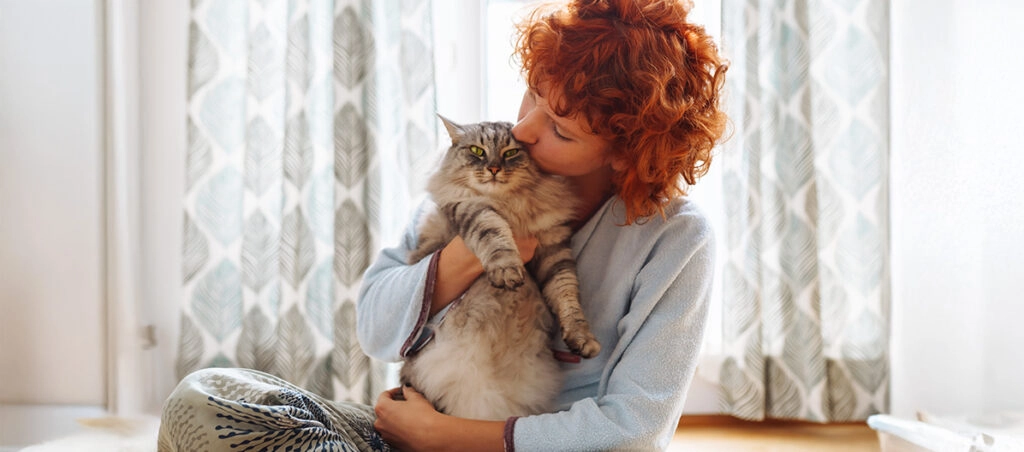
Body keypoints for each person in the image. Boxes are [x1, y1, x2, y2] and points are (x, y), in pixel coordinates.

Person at [158, 0, 726, 450]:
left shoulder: (675, 238)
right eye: (532, 95)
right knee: (205, 403)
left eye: (560, 129)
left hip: (520, 441)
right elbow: (375, 329)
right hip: (412, 431)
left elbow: (633, 432)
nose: (523, 130)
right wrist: (466, 254)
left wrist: (446, 436)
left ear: (625, 154)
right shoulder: (469, 182)